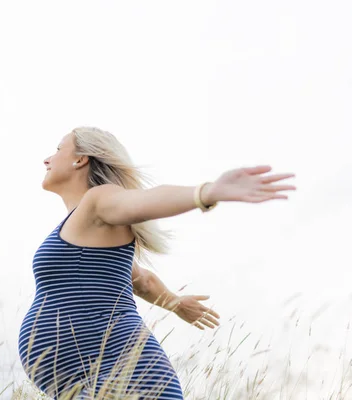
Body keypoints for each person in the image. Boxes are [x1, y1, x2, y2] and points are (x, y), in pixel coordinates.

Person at [18, 127, 295, 399]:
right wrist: (175, 302)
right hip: (87, 382)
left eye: (57, 150)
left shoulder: (99, 199)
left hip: (125, 375)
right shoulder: (80, 224)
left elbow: (147, 200)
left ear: (81, 159)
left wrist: (207, 193)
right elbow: (141, 280)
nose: (47, 159)